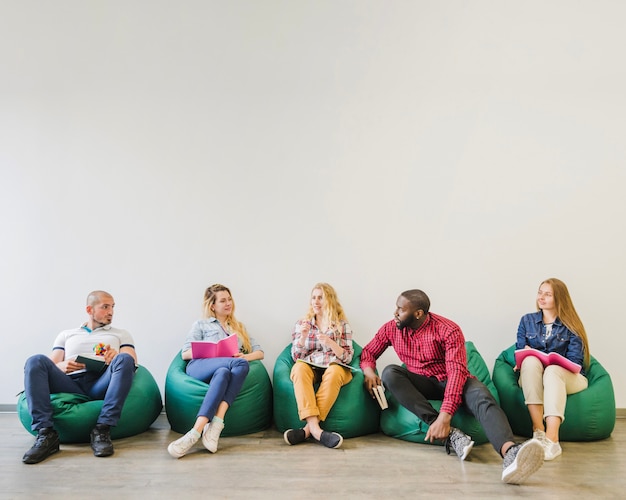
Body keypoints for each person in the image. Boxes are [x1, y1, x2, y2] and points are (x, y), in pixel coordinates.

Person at [360, 289, 544, 484]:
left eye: (400, 309)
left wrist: (445, 416)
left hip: (451, 379)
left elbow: (456, 373)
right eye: (396, 307)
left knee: (483, 395)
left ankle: (510, 452)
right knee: (390, 372)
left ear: (418, 313)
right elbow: (368, 352)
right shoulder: (392, 328)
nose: (395, 313)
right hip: (420, 381)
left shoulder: (448, 330)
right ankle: (451, 436)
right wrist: (369, 370)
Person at [22, 290, 138, 464]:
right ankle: (46, 433)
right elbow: (50, 364)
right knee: (35, 360)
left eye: (112, 307)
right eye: (105, 307)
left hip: (101, 383)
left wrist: (114, 358)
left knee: (124, 359)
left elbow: (133, 362)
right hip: (70, 383)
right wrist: (60, 366)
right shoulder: (67, 334)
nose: (111, 312)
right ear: (89, 309)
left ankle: (102, 429)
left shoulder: (120, 334)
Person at [167, 284, 264, 458]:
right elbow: (185, 353)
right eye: (223, 300)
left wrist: (244, 356)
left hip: (223, 370)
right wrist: (210, 351)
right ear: (212, 305)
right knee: (238, 366)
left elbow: (259, 353)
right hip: (200, 367)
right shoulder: (201, 325)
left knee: (225, 372)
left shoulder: (239, 327)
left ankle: (198, 432)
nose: (228, 303)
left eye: (229, 299)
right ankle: (217, 423)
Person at [515, 278, 590, 460]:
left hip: (569, 378)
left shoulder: (571, 325)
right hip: (533, 375)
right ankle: (538, 431)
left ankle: (552, 439)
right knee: (531, 361)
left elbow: (575, 362)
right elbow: (519, 350)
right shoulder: (527, 320)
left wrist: (552, 362)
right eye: (540, 292)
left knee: (552, 371)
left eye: (547, 294)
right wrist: (528, 354)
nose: (541, 297)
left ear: (559, 298)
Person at [283, 283, 354, 449]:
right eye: (313, 297)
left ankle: (307, 430)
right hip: (311, 366)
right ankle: (316, 431)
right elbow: (296, 356)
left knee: (335, 371)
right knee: (299, 368)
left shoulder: (342, 325)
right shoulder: (302, 324)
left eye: (320, 297)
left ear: (329, 300)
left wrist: (330, 343)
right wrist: (302, 337)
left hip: (334, 366)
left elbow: (348, 357)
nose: (316, 301)